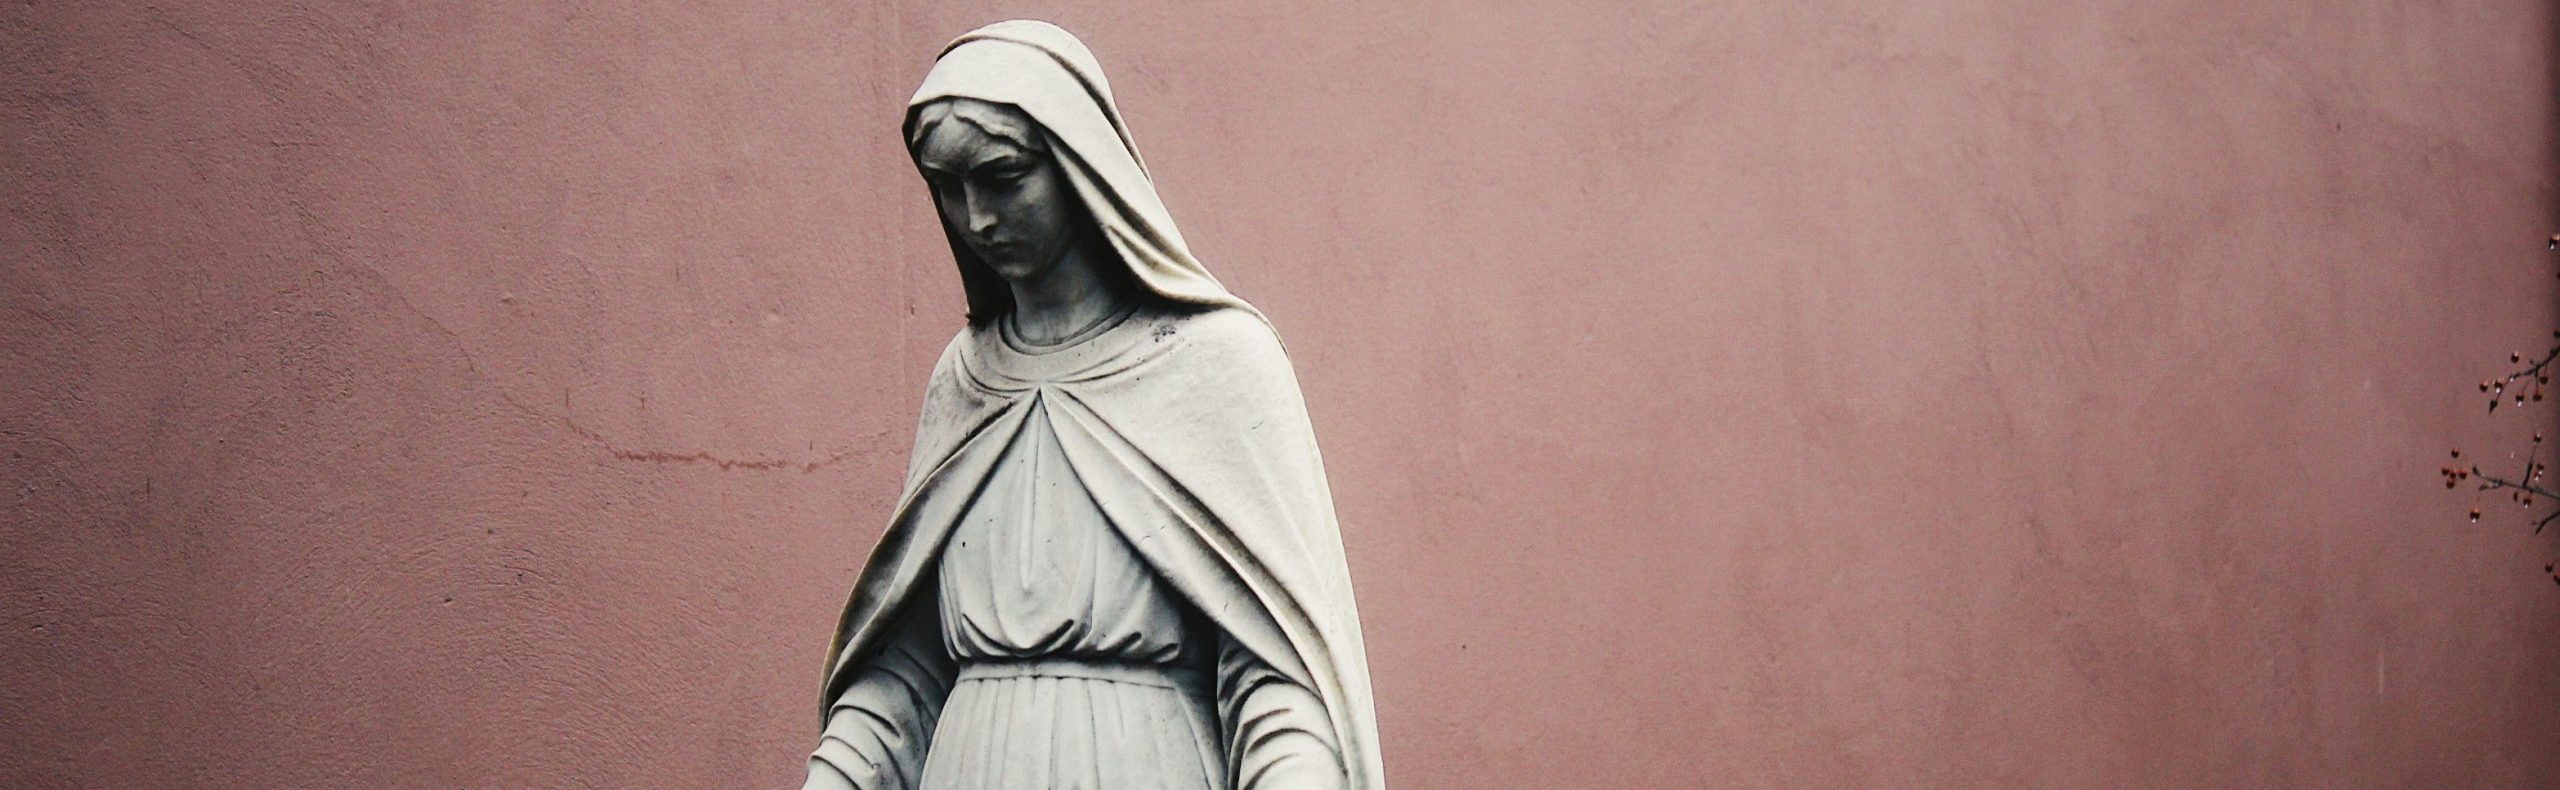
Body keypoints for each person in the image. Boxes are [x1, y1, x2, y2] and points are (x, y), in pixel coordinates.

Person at [800, 20, 1384, 790]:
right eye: (948, 187)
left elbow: (1277, 675)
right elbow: (902, 675)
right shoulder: (964, 378)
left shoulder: (1216, 362)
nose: (977, 218)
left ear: (1079, 161)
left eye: (1004, 177)